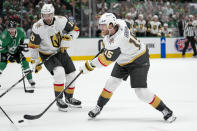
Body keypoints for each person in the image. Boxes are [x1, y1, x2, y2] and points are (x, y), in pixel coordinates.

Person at [80, 13, 176, 123]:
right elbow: (127, 25)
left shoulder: (117, 41)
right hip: (124, 58)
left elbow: (105, 61)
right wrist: (109, 44)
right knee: (111, 83)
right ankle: (99, 107)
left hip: (138, 59)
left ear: (111, 25)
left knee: (141, 92)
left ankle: (165, 110)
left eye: (103, 25)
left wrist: (89, 66)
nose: (101, 28)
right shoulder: (120, 23)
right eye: (100, 25)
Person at [28, 4, 81, 112]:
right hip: (47, 54)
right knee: (59, 72)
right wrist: (35, 61)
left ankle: (69, 98)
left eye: (49, 15)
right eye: (44, 15)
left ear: (53, 14)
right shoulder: (38, 27)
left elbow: (75, 30)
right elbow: (33, 45)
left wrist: (69, 38)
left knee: (71, 74)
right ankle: (59, 99)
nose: (46, 18)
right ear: (41, 15)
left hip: (61, 51)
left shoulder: (61, 20)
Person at [0, 21, 35, 89]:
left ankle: (30, 79)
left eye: (13, 29)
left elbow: (22, 39)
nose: (12, 30)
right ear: (8, 29)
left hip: (16, 51)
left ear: (16, 28)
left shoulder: (21, 31)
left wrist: (20, 46)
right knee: (2, 65)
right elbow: (1, 48)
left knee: (25, 62)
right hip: (5, 52)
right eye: (10, 29)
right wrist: (8, 54)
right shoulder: (3, 36)